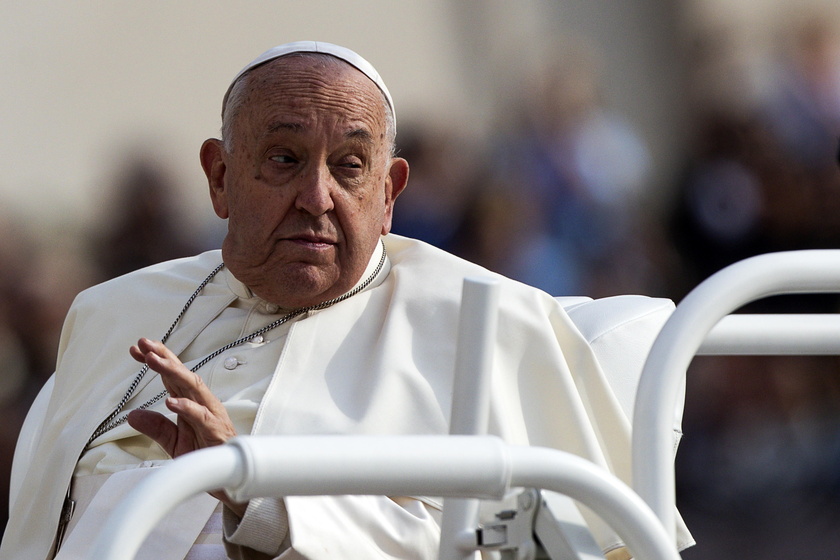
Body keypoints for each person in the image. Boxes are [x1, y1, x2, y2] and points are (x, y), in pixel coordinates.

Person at [0, 41, 692, 560]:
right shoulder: (113, 312)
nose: (317, 197)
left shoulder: (489, 323)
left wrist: (255, 491)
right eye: (284, 160)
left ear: (389, 193)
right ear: (219, 178)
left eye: (350, 167)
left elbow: (530, 543)